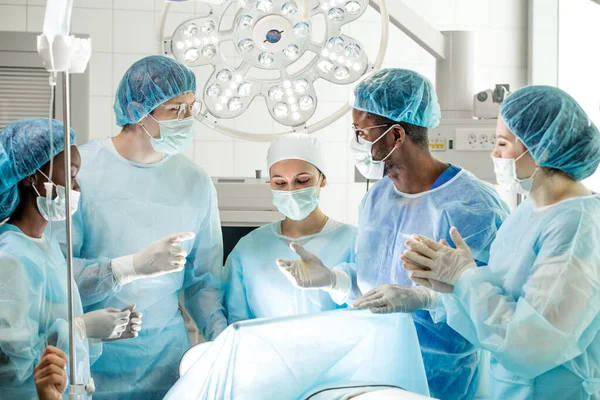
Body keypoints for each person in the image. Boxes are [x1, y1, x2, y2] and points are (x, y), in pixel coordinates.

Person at [276, 69, 510, 400]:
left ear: (396, 135)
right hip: (377, 376)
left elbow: (492, 308)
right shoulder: (377, 198)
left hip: (442, 383)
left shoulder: (473, 208)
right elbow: (376, 283)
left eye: (362, 133)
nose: (357, 143)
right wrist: (333, 279)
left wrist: (425, 298)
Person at [400, 85, 600, 399]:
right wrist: (445, 292)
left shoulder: (577, 227)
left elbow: (531, 344)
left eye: (503, 143)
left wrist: (465, 278)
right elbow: (499, 308)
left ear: (541, 150)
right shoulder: (527, 214)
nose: (494, 153)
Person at [50, 55, 226, 400]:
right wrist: (124, 269)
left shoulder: (195, 182)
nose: (187, 120)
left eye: (191, 108)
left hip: (166, 362)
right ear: (138, 111)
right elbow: (55, 274)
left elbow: (204, 281)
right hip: (93, 359)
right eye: (176, 110)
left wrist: (222, 339)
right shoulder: (80, 172)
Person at [0, 118, 141, 399]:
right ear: (32, 176)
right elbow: (11, 367)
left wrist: (95, 332)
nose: (77, 188)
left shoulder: (45, 245)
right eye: (72, 174)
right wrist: (81, 327)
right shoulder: (10, 257)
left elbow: (49, 325)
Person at [225, 134, 356, 323]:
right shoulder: (249, 248)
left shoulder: (353, 241)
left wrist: (336, 282)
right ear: (270, 184)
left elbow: (370, 312)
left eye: (302, 181)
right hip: (265, 352)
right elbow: (236, 320)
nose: (291, 190)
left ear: (323, 179)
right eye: (280, 183)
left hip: (337, 353)